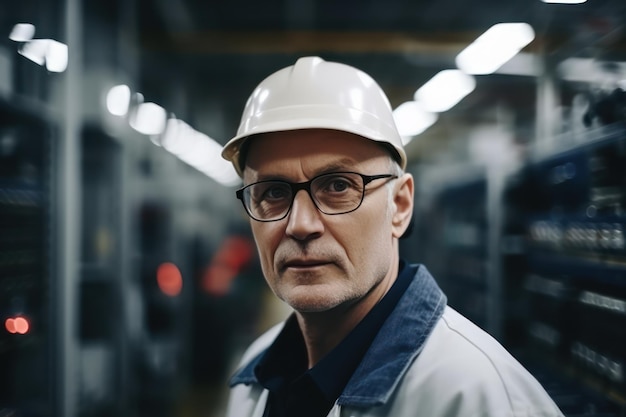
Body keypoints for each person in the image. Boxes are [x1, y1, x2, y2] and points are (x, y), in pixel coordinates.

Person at [220, 56, 564, 417]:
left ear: (399, 206)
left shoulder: (479, 396)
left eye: (338, 186)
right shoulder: (255, 377)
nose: (301, 225)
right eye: (273, 193)